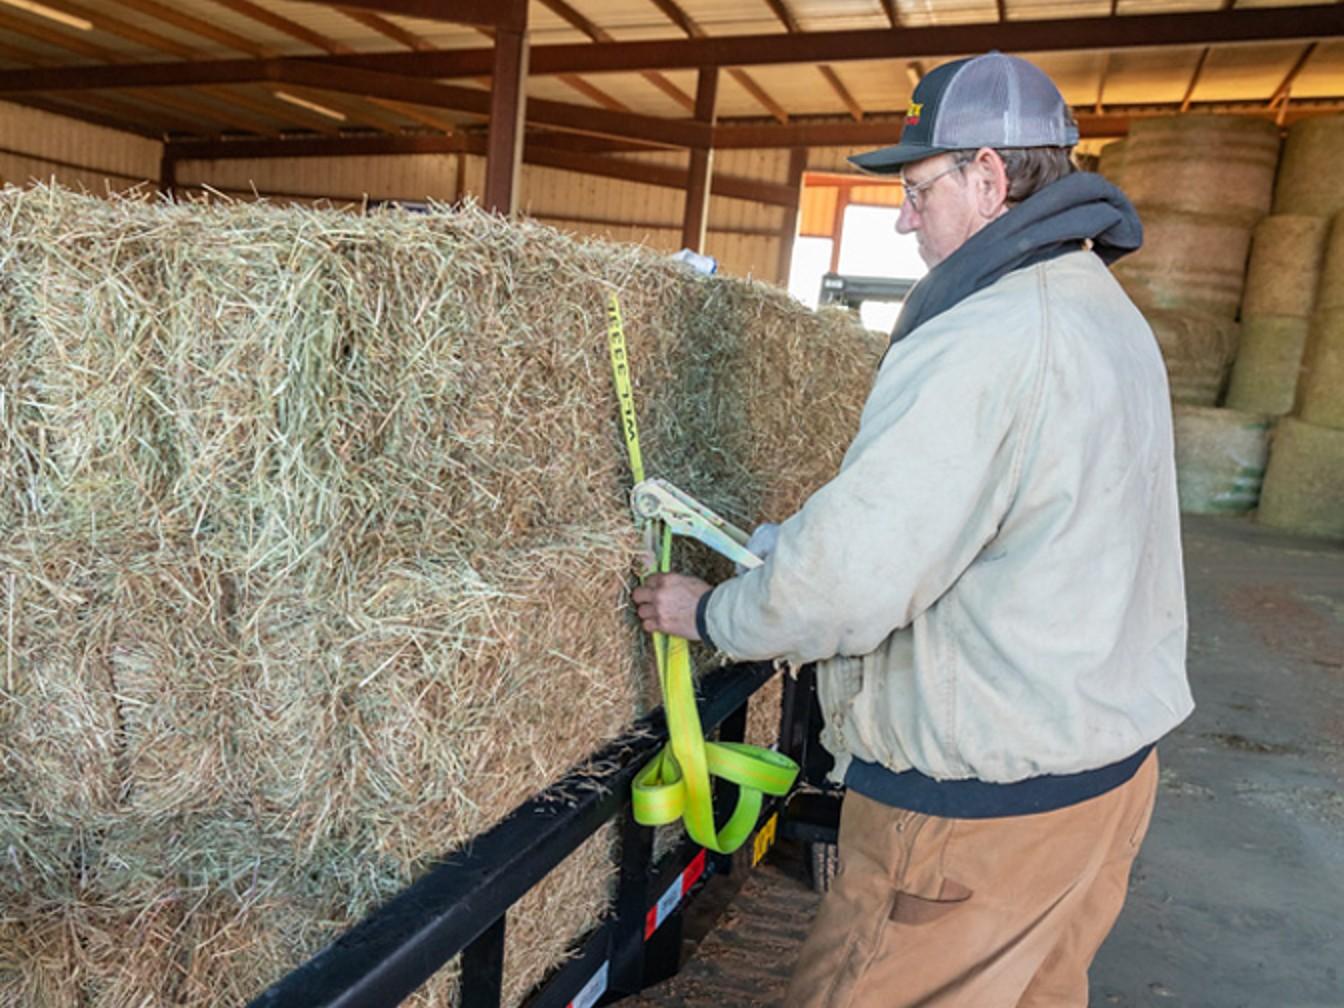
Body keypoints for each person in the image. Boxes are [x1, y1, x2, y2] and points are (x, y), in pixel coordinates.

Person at [632, 51, 1193, 1007]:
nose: (902, 215)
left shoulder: (990, 334)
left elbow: (848, 583)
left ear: (986, 174)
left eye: (917, 186)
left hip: (975, 817)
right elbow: (1005, 517)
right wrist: (785, 546)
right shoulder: (1102, 309)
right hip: (1098, 780)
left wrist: (717, 610)